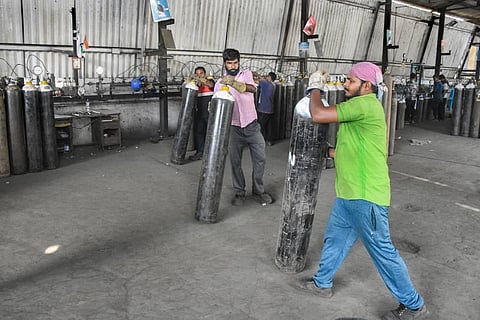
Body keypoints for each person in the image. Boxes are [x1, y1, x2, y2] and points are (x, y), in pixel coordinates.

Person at [297, 62, 428, 320]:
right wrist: (327, 151)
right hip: (349, 194)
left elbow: (319, 115)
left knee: (383, 252)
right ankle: (322, 283)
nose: (346, 84)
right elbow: (347, 147)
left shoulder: (365, 104)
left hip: (366, 197)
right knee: (335, 239)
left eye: (350, 81)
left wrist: (314, 87)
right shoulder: (360, 109)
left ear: (366, 86)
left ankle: (414, 305)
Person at [214, 48, 273, 206]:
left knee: (260, 158)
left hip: (252, 125)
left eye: (235, 63)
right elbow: (216, 104)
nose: (233, 66)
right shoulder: (220, 84)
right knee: (235, 161)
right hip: (233, 128)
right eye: (229, 63)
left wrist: (232, 82)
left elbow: (252, 88)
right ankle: (239, 192)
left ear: (239, 62)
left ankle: (258, 190)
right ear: (225, 63)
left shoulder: (246, 74)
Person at [189, 66, 214, 161]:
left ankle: (211, 153)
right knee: (198, 131)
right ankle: (200, 152)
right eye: (197, 74)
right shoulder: (195, 84)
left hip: (208, 111)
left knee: (210, 132)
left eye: (201, 73)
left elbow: (211, 85)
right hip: (199, 111)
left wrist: (201, 79)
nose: (199, 75)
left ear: (205, 73)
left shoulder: (209, 81)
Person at [256, 72, 277, 146]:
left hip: (263, 109)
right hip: (270, 109)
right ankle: (269, 140)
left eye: (267, 76)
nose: (266, 77)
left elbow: (258, 81)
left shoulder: (266, 84)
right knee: (269, 126)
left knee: (261, 125)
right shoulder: (273, 85)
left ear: (270, 78)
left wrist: (256, 74)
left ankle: (261, 141)